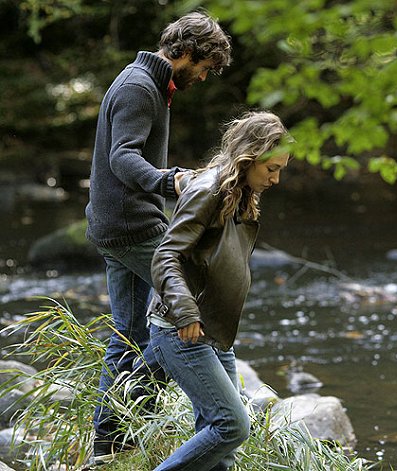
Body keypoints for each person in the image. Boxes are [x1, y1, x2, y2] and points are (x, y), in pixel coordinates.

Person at [84, 10, 232, 464]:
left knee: (127, 334)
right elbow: (123, 157)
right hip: (132, 228)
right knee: (189, 313)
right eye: (204, 68)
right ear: (184, 53)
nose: (204, 77)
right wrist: (171, 182)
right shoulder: (137, 88)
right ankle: (217, 429)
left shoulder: (147, 83)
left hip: (114, 225)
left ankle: (110, 443)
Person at [147, 111, 289, 471]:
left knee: (221, 450)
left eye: (280, 169)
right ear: (248, 157)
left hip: (214, 330)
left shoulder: (238, 192)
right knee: (232, 426)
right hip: (182, 330)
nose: (276, 178)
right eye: (270, 169)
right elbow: (166, 256)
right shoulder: (207, 190)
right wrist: (186, 313)